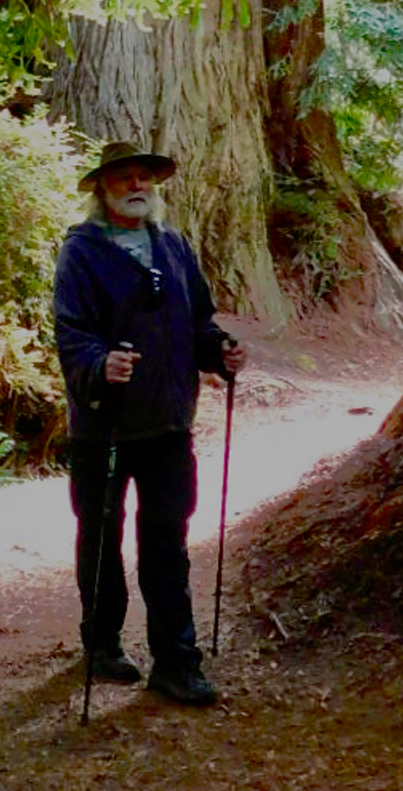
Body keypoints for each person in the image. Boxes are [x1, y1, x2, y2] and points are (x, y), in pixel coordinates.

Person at [53, 139, 246, 707]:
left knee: (167, 540)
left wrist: (221, 352)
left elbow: (199, 322)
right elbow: (72, 333)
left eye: (145, 178)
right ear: (103, 189)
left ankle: (176, 662)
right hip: (103, 428)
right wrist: (98, 363)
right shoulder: (82, 252)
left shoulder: (175, 246)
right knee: (101, 537)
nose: (137, 186)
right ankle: (103, 642)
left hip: (167, 424)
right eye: (124, 179)